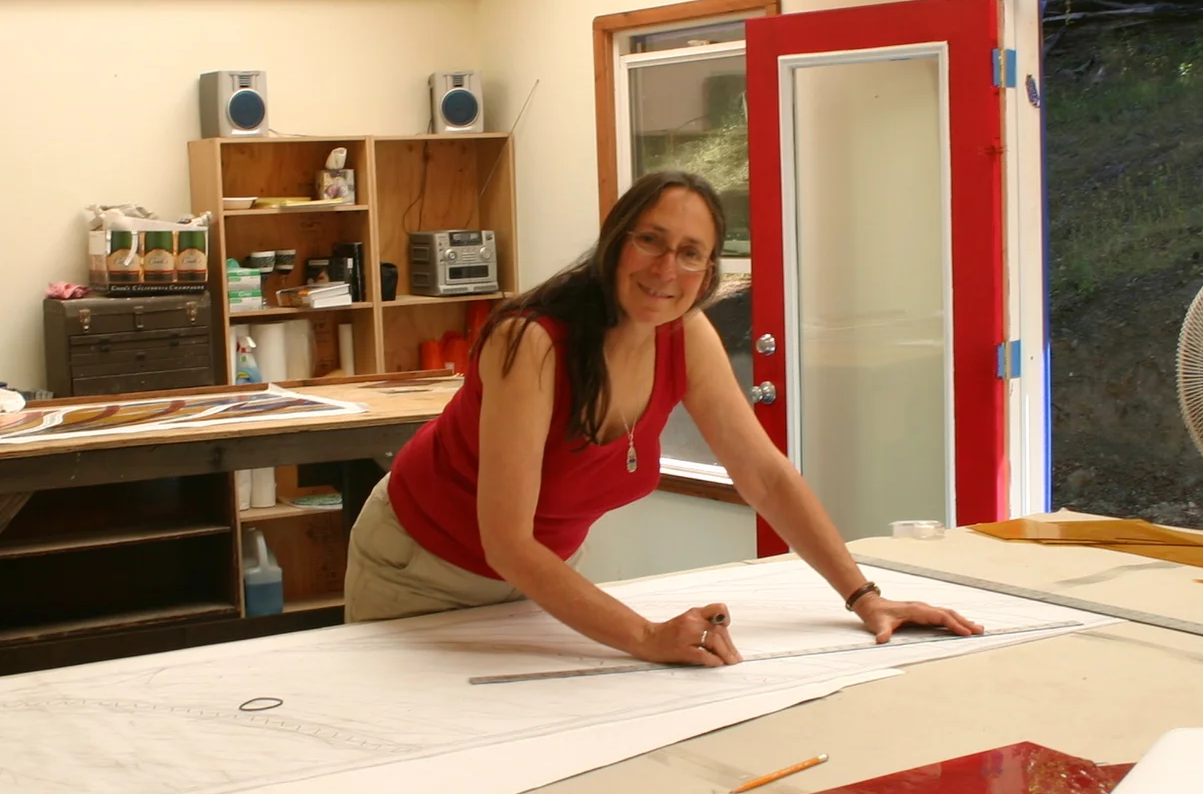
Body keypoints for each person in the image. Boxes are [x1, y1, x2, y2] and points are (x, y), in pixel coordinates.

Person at [344, 170, 975, 664]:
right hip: (419, 573)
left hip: (531, 583)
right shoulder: (531, 341)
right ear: (616, 241)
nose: (665, 270)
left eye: (690, 253)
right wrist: (646, 637)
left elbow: (765, 476)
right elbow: (507, 540)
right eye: (650, 240)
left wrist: (864, 598)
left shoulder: (684, 334)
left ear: (707, 273)